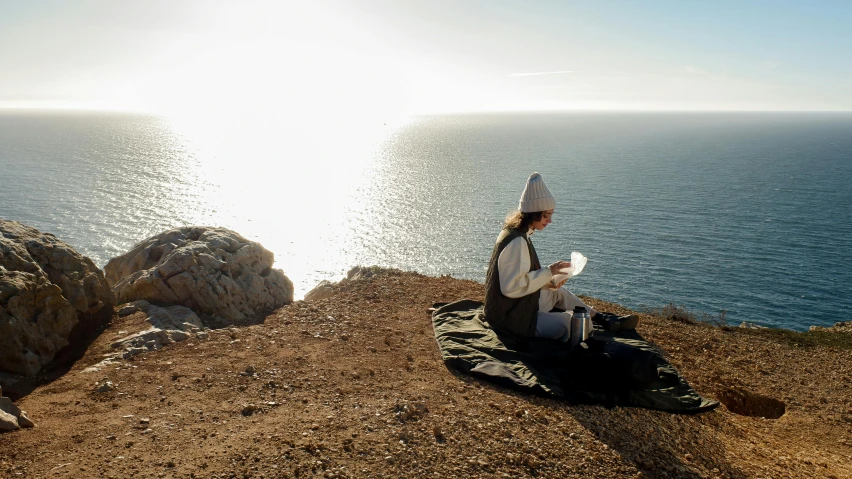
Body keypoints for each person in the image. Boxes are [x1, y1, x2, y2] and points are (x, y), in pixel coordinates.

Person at [483, 172, 638, 342]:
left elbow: (518, 279)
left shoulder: (518, 234)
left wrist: (550, 280)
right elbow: (511, 287)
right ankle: (592, 322)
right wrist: (549, 272)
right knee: (575, 323)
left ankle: (602, 318)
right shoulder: (517, 242)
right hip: (511, 320)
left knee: (559, 293)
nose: (550, 220)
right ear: (535, 212)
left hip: (514, 307)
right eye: (547, 215)